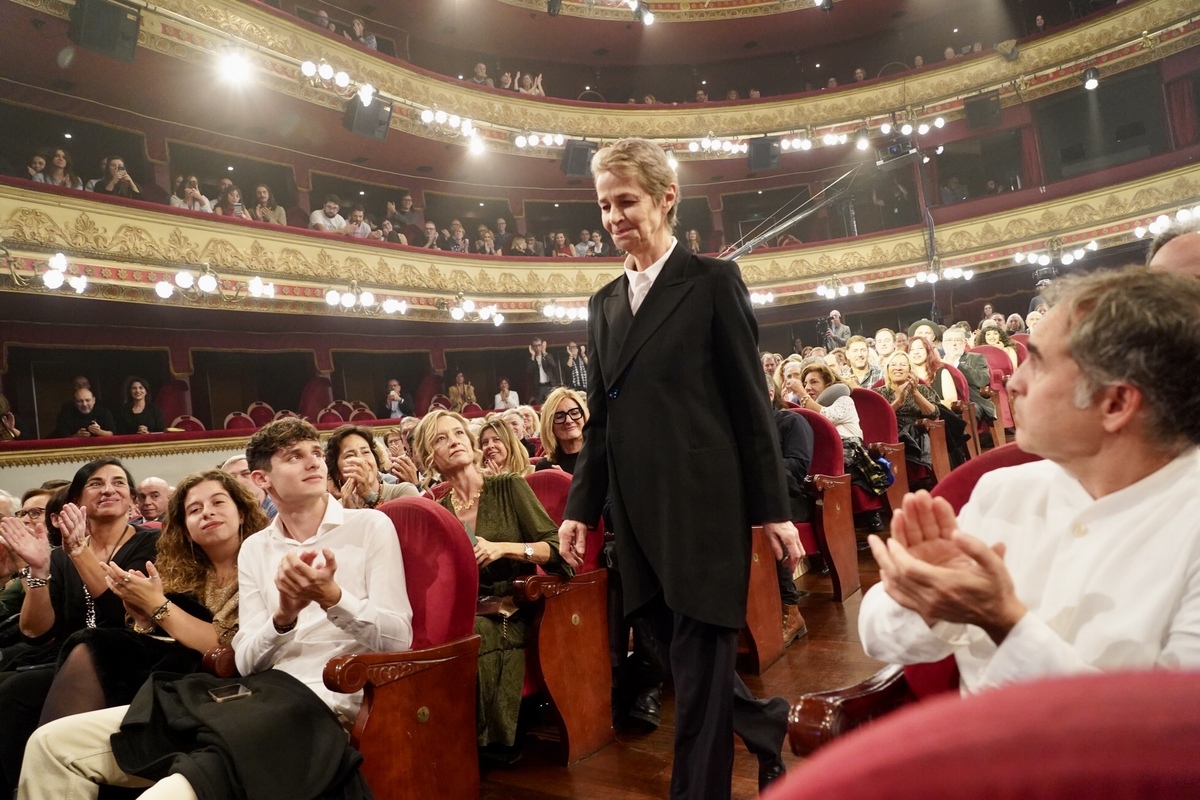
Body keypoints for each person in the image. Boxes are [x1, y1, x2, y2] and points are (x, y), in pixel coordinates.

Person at [558, 137, 802, 797]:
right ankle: (764, 722)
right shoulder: (603, 302)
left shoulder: (713, 282)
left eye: (626, 201)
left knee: (695, 683)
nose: (614, 217)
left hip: (702, 505)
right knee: (679, 654)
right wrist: (581, 508)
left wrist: (774, 509)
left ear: (667, 200)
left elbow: (752, 409)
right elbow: (600, 421)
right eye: (605, 205)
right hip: (636, 513)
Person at [20, 418, 409, 798]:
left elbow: (398, 640)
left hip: (321, 704)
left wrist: (333, 598)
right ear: (262, 480)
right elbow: (246, 661)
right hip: (251, 695)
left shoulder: (370, 526)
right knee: (49, 744)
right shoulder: (257, 549)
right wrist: (282, 618)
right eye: (293, 456)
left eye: (314, 453)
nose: (313, 462)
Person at [860, 267, 1200, 693]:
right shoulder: (1005, 489)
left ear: (1115, 402)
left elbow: (1169, 736)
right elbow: (877, 636)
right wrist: (922, 593)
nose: (1014, 381)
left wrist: (1006, 624)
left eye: (1036, 362)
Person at [34, 469, 265, 730]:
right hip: (172, 671)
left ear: (242, 513)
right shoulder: (179, 571)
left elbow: (226, 646)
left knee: (94, 646)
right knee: (86, 649)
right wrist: (144, 618)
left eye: (218, 502)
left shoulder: (263, 562)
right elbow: (151, 634)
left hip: (228, 680)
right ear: (186, 531)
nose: (207, 512)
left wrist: (157, 606)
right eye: (194, 510)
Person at [413, 411, 570, 754]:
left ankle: (484, 741)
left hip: (517, 606)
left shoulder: (508, 486)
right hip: (471, 608)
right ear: (430, 458)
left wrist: (504, 549)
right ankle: (439, 743)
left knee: (470, 632)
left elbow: (556, 548)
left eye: (458, 433)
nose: (453, 440)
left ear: (471, 444)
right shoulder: (440, 510)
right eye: (441, 438)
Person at [0, 458, 159, 795]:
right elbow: (37, 632)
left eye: (118, 483)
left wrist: (78, 550)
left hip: (134, 654)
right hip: (71, 657)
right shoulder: (59, 556)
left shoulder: (151, 545)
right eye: (96, 483)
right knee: (11, 689)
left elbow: (123, 611)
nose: (108, 489)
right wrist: (40, 572)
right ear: (75, 500)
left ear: (131, 499)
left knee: (20, 691)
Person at [765, 374, 813, 644]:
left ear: (770, 393)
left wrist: (754, 471)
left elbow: (797, 468)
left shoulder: (791, 421)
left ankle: (790, 610)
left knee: (767, 520)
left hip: (790, 499)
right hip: (756, 498)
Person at [875, 351, 941, 488]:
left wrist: (915, 392)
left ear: (910, 370)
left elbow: (934, 414)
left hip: (915, 434)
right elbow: (878, 419)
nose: (898, 368)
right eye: (893, 364)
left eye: (903, 365)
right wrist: (898, 401)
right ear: (887, 370)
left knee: (910, 433)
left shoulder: (923, 390)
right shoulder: (878, 393)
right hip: (887, 435)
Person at [325, 424, 418, 509]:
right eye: (350, 455)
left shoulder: (403, 491)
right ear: (337, 472)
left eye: (365, 452)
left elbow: (395, 523)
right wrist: (348, 513)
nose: (361, 461)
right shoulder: (335, 509)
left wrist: (369, 496)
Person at [535, 387, 586, 474]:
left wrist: (565, 480)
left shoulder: (604, 456)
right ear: (549, 425)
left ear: (584, 416)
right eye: (559, 416)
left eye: (574, 413)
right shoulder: (546, 467)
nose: (569, 421)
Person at [221, 454, 278, 520]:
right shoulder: (230, 516)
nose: (239, 481)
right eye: (232, 477)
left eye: (246, 473)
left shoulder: (278, 510)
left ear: (260, 478)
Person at [527, 337, 562, 404]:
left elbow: (553, 365)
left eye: (539, 345)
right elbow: (529, 371)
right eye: (535, 346)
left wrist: (544, 352)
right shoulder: (531, 359)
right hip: (538, 387)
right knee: (539, 405)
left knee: (552, 403)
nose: (537, 348)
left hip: (550, 384)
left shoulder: (547, 355)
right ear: (532, 347)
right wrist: (533, 355)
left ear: (542, 345)